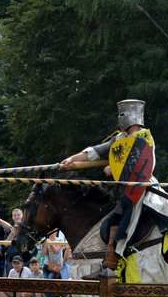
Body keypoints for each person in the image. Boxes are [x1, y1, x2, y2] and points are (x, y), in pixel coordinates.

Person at [59, 99, 153, 270]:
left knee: (122, 217)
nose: (119, 118)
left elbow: (140, 163)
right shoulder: (119, 139)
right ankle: (111, 261)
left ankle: (112, 263)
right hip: (125, 192)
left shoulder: (143, 138)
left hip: (141, 189)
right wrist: (72, 159)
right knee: (112, 220)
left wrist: (114, 168)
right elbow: (94, 152)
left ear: (131, 116)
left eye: (122, 114)